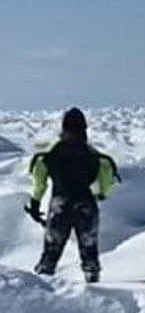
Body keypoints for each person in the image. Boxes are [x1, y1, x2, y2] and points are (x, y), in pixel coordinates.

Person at [26, 107, 118, 283]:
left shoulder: (49, 155)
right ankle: (94, 290)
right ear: (84, 128)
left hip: (59, 206)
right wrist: (101, 195)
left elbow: (39, 184)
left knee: (51, 253)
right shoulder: (96, 156)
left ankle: (40, 295)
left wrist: (35, 204)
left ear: (63, 128)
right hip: (86, 205)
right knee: (89, 253)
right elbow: (105, 184)